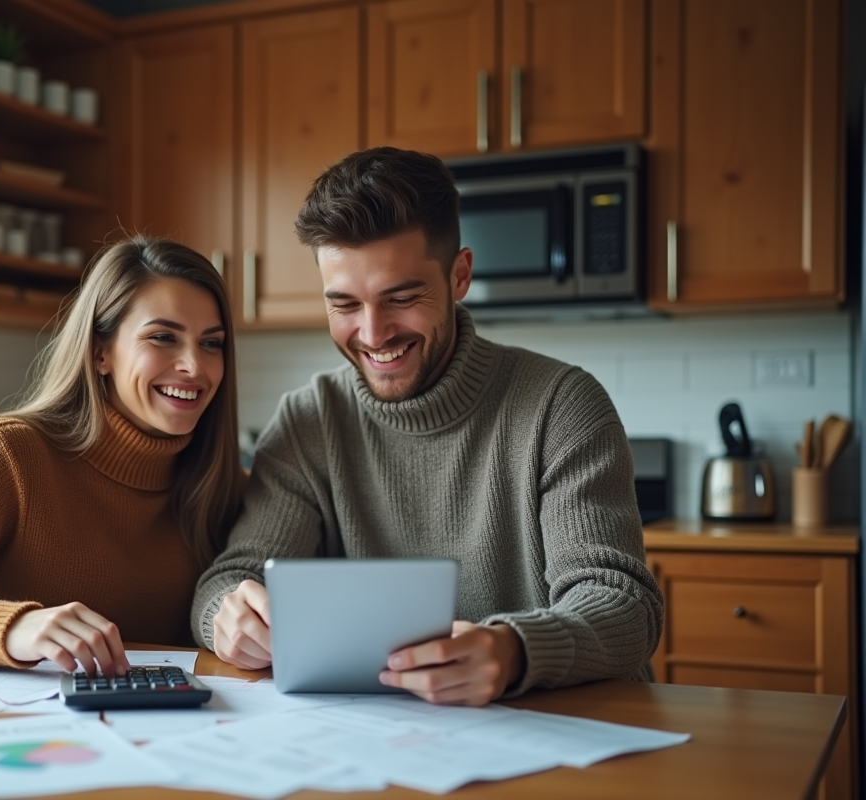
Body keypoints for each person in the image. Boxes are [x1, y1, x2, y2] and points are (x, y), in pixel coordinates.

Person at [192, 147, 663, 706]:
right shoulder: (308, 422)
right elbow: (231, 578)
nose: (372, 333)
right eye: (344, 304)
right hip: (389, 741)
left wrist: (514, 650)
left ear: (459, 275)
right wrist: (229, 615)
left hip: (559, 729)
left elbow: (623, 604)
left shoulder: (562, 405)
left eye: (402, 298)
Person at [0, 235, 243, 677]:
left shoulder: (223, 482)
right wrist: (15, 628)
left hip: (171, 727)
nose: (195, 366)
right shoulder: (8, 455)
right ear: (100, 351)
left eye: (211, 343)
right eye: (163, 337)